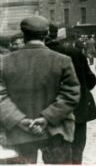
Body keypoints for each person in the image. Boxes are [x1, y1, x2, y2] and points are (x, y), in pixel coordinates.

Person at [0, 16, 80, 164]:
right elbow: (71, 94)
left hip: (18, 133)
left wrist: (20, 120)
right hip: (56, 130)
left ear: (24, 35)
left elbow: (1, 96)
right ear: (46, 35)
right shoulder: (62, 60)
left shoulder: (5, 62)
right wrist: (47, 117)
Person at [46, 24, 96, 164]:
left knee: (53, 151)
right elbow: (91, 81)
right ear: (57, 34)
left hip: (49, 112)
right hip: (77, 108)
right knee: (77, 147)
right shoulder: (74, 53)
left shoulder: (41, 55)